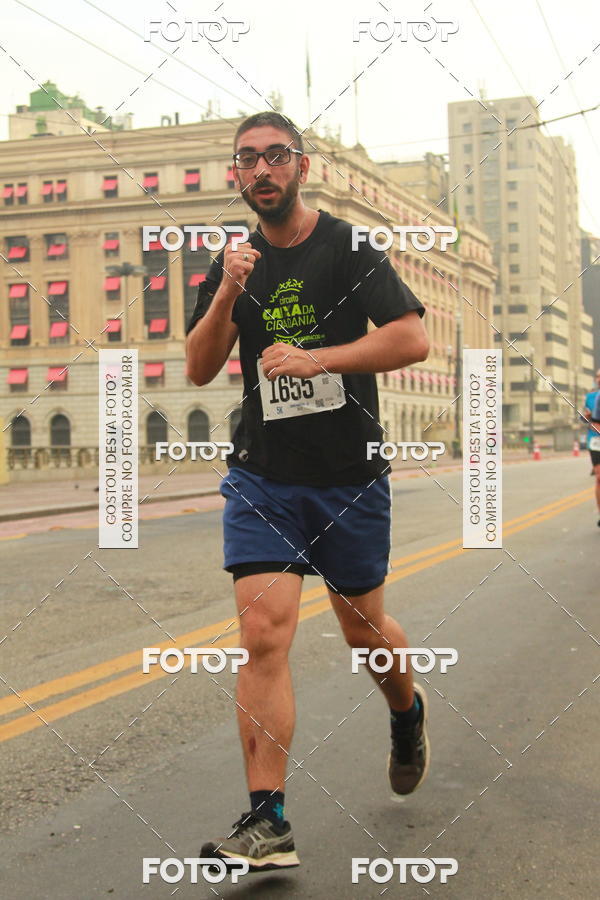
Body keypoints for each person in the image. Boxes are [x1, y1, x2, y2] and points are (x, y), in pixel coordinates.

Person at [184, 112, 430, 873]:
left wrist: (322, 360)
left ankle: (406, 711)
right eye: (247, 159)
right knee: (264, 635)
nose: (262, 170)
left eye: (276, 156)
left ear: (302, 165)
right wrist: (226, 291)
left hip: (349, 477)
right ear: (236, 175)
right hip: (264, 474)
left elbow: (412, 337)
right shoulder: (233, 262)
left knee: (366, 633)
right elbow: (198, 368)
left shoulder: (349, 247)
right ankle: (269, 821)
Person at [582, 368, 600, 526]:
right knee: (599, 478)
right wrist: (585, 417)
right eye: (597, 376)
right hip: (595, 440)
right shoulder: (590, 397)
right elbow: (583, 417)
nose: (599, 379)